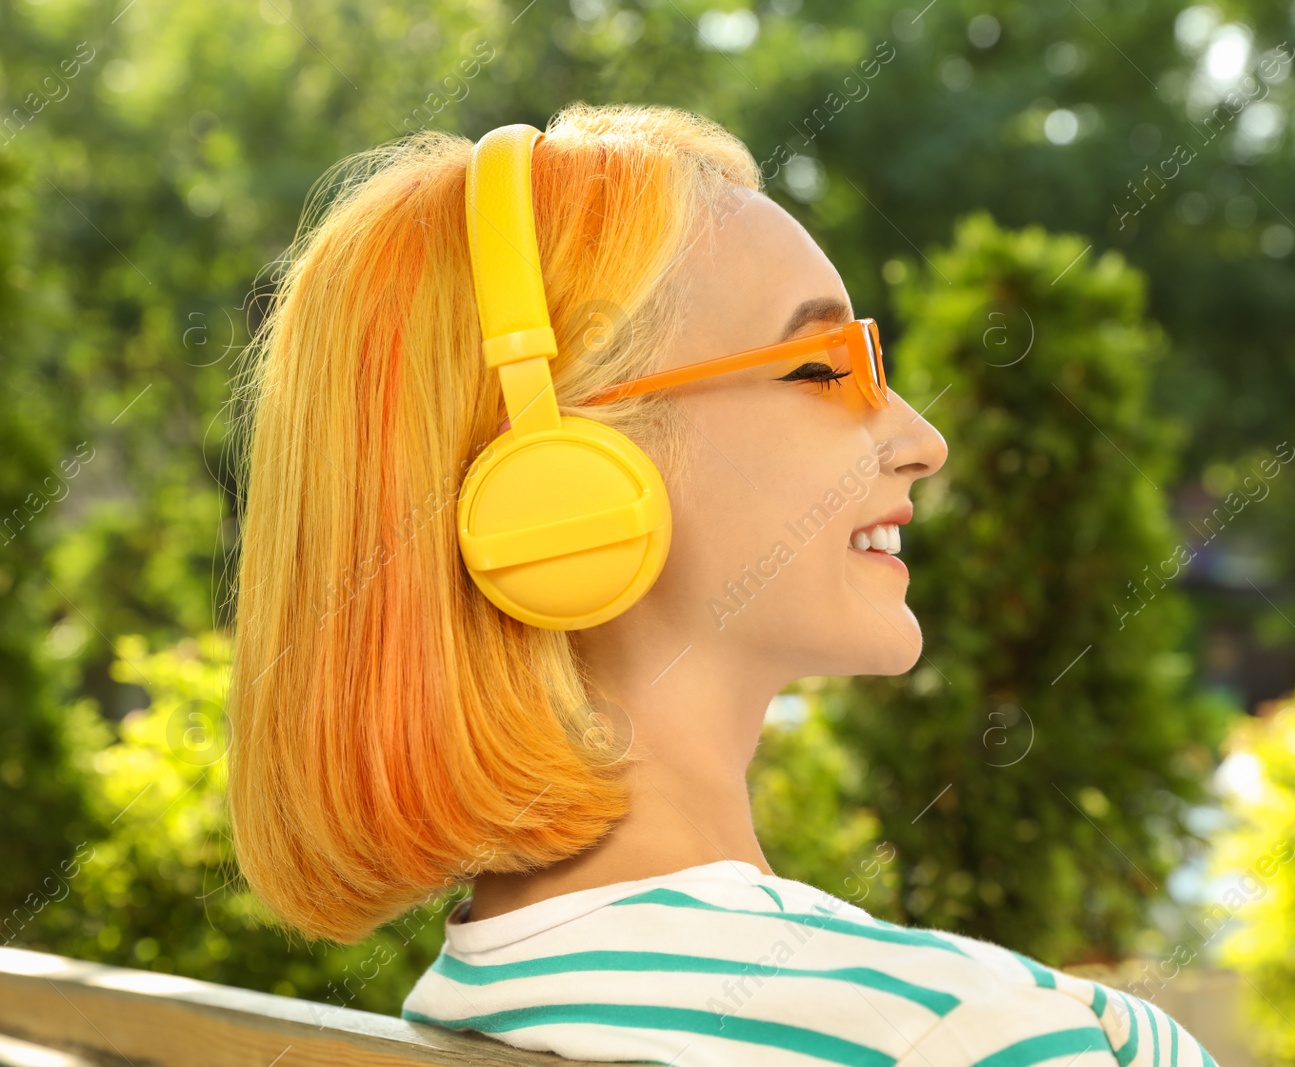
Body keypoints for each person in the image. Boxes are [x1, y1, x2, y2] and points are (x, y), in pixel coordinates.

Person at [226, 102, 1221, 1066]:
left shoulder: (463, 1009)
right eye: (826, 366)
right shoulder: (961, 1037)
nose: (923, 439)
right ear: (558, 482)